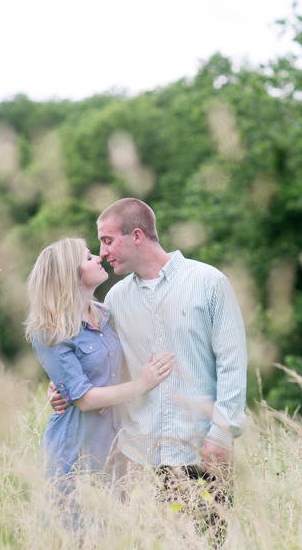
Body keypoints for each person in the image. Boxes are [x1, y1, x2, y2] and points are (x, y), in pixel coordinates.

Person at [50, 198, 248, 479]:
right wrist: (62, 384)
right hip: (139, 458)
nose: (102, 252)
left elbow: (233, 364)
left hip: (202, 452)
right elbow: (100, 354)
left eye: (108, 241)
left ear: (137, 236)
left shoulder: (209, 283)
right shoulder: (115, 299)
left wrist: (221, 434)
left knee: (209, 525)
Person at [25, 237, 175, 482]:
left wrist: (61, 386)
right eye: (88, 258)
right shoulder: (49, 332)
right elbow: (84, 400)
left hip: (119, 446)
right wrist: (141, 384)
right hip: (77, 450)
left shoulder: (106, 314)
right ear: (71, 276)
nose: (98, 257)